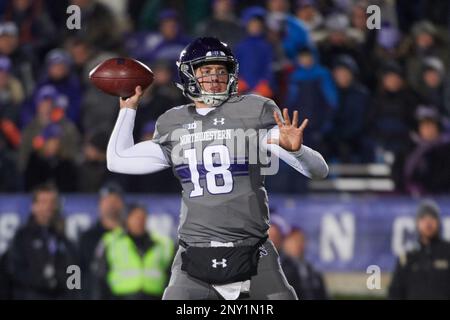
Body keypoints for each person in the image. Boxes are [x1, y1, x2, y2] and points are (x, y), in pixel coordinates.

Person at [106, 37, 328, 300]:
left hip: (253, 250)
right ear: (189, 74)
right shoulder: (172, 122)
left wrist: (297, 151)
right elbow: (117, 159)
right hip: (194, 251)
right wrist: (128, 109)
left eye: (221, 70)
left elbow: (318, 171)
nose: (215, 77)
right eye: (206, 70)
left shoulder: (253, 110)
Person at [5, 183, 78, 299]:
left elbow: (74, 269)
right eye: (44, 201)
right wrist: (45, 281)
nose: (48, 206)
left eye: (52, 202)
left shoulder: (64, 239)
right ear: (34, 206)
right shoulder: (22, 237)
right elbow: (14, 271)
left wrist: (73, 293)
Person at [92, 204, 174, 300]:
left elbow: (172, 274)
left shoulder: (162, 243)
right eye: (135, 218)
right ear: (127, 219)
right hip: (121, 296)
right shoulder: (111, 241)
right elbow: (100, 275)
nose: (139, 221)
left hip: (154, 296)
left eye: (142, 218)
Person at [388, 200, 450, 299]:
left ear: (438, 222)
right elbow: (396, 291)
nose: (428, 223)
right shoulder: (408, 256)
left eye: (432, 218)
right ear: (417, 223)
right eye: (424, 218)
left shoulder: (447, 252)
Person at [78, 184, 125, 299]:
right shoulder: (88, 237)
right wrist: (74, 294)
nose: (111, 204)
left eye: (115, 200)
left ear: (122, 204)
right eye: (107, 200)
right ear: (99, 204)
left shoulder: (129, 236)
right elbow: (76, 268)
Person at [283, 228, 328, 300]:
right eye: (294, 240)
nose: (298, 244)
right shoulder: (280, 269)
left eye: (301, 240)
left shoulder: (312, 271)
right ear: (285, 243)